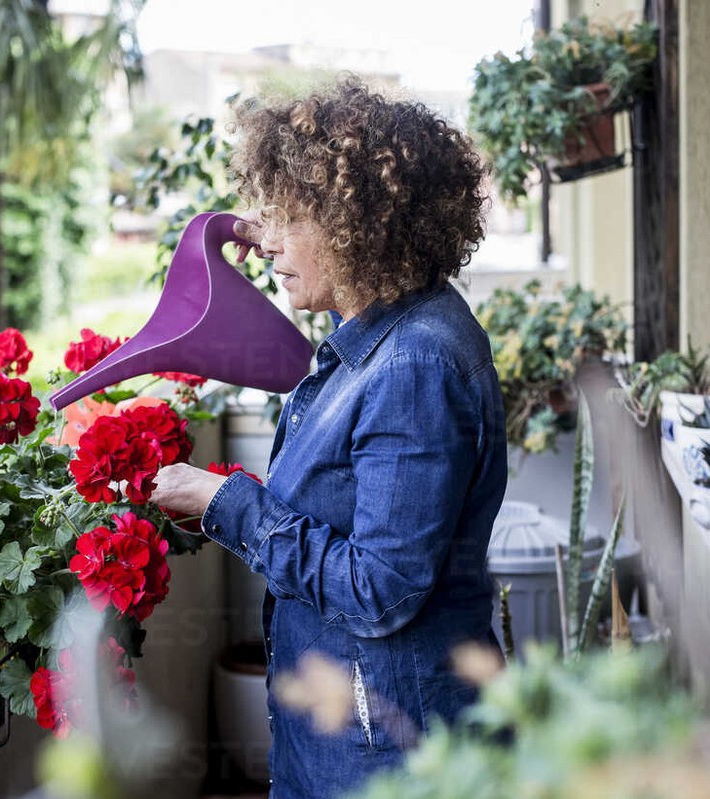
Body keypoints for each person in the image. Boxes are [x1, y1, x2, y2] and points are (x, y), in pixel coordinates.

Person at [150, 78, 508, 798]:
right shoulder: (383, 333)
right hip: (352, 732)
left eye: (289, 216)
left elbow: (379, 591)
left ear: (360, 225)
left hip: (386, 750)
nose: (266, 239)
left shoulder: (413, 364)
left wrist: (225, 500)